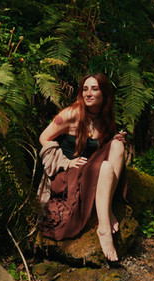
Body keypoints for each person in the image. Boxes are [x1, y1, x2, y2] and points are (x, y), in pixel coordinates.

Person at [37, 73, 127, 261]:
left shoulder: (105, 118)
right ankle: (104, 229)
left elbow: (102, 150)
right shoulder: (71, 114)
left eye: (94, 89)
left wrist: (113, 139)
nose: (88, 93)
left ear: (104, 93)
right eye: (85, 89)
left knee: (118, 145)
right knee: (105, 168)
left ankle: (107, 207)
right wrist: (65, 161)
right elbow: (43, 138)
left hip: (88, 170)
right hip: (67, 174)